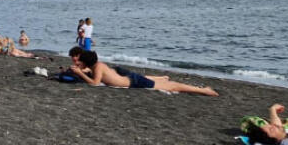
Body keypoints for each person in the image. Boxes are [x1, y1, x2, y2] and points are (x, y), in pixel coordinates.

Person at [68, 49, 218, 96]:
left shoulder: (98, 68)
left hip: (134, 82)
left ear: (87, 62)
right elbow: (93, 75)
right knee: (167, 84)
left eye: (81, 61)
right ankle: (203, 90)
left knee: (172, 86)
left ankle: (205, 91)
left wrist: (80, 74)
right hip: (131, 79)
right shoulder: (97, 65)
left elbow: (95, 83)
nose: (79, 63)